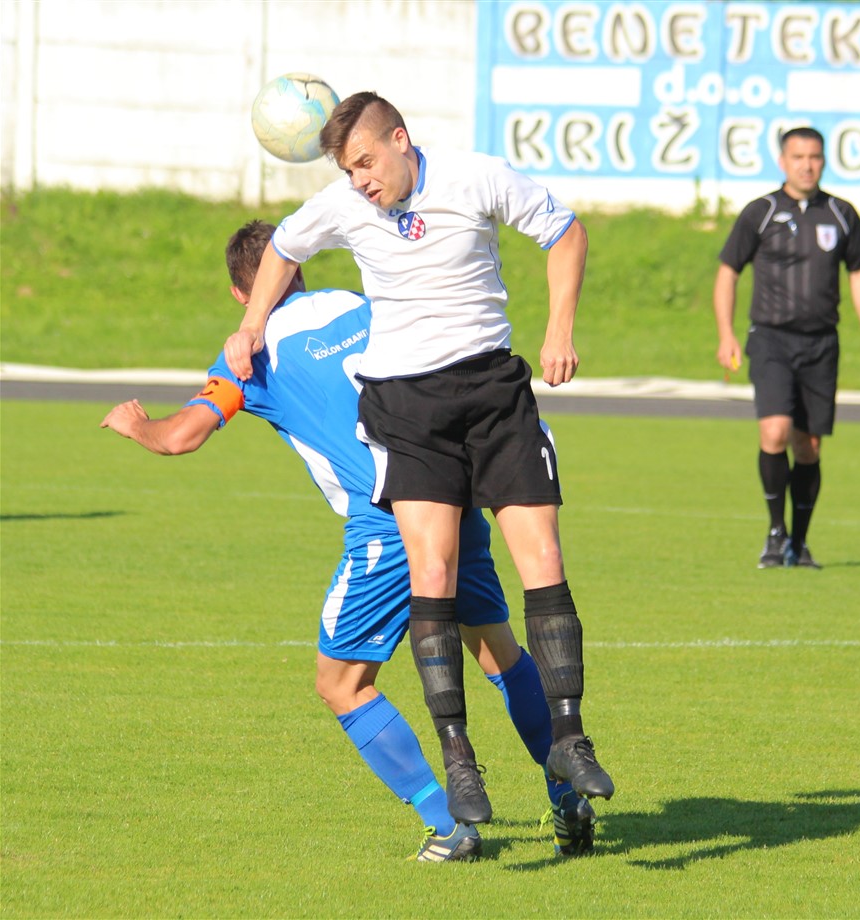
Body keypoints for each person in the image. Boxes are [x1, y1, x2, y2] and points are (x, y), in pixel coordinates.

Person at [101, 220, 597, 861]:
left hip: (388, 522)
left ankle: (450, 826)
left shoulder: (250, 354)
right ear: (297, 270)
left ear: (240, 293)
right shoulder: (361, 306)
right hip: (452, 494)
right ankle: (567, 795)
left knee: (340, 683)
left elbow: (180, 437)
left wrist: (135, 424)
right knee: (496, 649)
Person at [223, 92, 614, 825]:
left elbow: (565, 233)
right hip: (408, 410)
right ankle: (460, 765)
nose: (360, 181)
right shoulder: (345, 206)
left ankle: (571, 742)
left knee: (544, 562)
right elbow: (285, 248)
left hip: (493, 393)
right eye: (348, 170)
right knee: (433, 579)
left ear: (400, 139)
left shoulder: (477, 176)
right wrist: (250, 326)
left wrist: (560, 328)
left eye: (366, 162)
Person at [713, 126, 860, 569]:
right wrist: (726, 334)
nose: (807, 165)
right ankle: (776, 533)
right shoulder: (761, 212)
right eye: (798, 157)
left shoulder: (841, 214)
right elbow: (728, 271)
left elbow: (859, 274)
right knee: (774, 432)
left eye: (815, 157)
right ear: (783, 162)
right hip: (770, 339)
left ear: (823, 161)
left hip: (821, 344)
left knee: (808, 447)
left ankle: (800, 542)